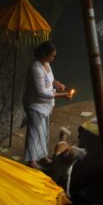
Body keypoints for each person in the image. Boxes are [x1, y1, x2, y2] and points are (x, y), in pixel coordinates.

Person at [22, 41, 73, 169]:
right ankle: (32, 161)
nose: (53, 58)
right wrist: (63, 95)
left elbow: (50, 80)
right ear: (44, 54)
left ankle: (43, 156)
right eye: (52, 55)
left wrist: (57, 84)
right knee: (35, 132)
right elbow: (41, 92)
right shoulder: (36, 68)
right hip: (35, 104)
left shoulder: (46, 64)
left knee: (44, 130)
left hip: (45, 105)